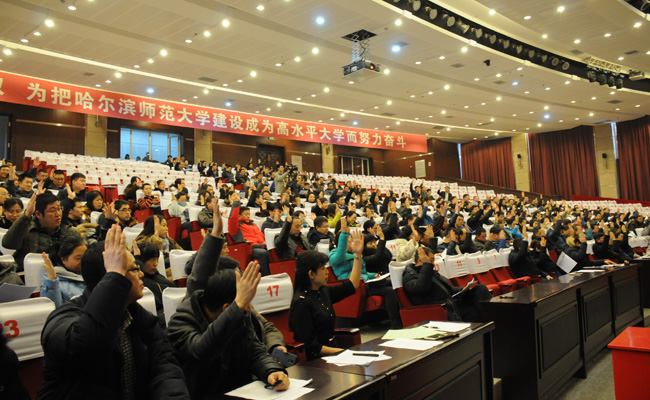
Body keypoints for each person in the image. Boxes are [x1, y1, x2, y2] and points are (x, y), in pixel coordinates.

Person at [37, 225, 190, 399]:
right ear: (110, 277)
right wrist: (115, 277)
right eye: (133, 269)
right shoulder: (62, 318)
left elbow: (165, 367)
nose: (141, 274)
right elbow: (87, 344)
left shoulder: (140, 317)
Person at [167, 202, 289, 397]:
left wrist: (271, 370)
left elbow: (254, 349)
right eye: (243, 305)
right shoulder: (181, 321)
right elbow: (202, 349)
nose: (248, 308)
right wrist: (238, 305)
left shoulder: (236, 312)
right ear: (227, 308)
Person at [289, 233, 363, 360]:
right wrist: (344, 352)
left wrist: (358, 255)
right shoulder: (301, 302)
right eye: (323, 269)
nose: (327, 272)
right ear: (311, 274)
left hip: (334, 352)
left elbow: (353, 284)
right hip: (317, 360)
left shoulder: (322, 291)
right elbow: (311, 347)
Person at [329, 219, 402, 328]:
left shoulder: (354, 254)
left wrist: (373, 275)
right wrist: (344, 233)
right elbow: (341, 254)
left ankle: (399, 318)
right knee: (388, 290)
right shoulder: (334, 256)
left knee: (392, 284)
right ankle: (395, 323)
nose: (351, 243)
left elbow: (363, 271)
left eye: (351, 240)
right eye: (348, 241)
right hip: (355, 287)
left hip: (365, 282)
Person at [403, 246, 491, 322]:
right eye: (431, 260)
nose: (433, 264)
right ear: (420, 260)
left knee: (480, 289)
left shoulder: (430, 272)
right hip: (441, 309)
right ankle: (491, 324)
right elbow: (422, 287)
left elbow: (447, 289)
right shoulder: (410, 275)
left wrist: (462, 289)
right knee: (476, 312)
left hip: (452, 303)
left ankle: (493, 321)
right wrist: (427, 265)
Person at [3, 189, 80, 271]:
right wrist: (27, 215)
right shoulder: (27, 230)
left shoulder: (71, 233)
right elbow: (8, 244)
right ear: (38, 214)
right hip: (27, 275)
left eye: (59, 209)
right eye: (52, 210)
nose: (58, 214)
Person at [228, 194, 271, 276]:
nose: (248, 216)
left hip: (261, 246)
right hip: (248, 249)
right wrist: (236, 203)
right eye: (246, 214)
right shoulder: (236, 227)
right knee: (263, 253)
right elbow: (232, 218)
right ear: (239, 216)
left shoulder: (253, 225)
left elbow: (261, 236)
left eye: (249, 214)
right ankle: (266, 276)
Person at [40, 236, 88, 308]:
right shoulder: (53, 280)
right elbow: (52, 308)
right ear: (64, 260)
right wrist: (51, 281)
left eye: (85, 256)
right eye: (78, 258)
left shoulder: (90, 272)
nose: (83, 261)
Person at [135, 241, 173, 324]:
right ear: (142, 260)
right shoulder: (143, 284)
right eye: (152, 259)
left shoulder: (157, 276)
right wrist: (137, 262)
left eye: (156, 259)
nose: (156, 264)